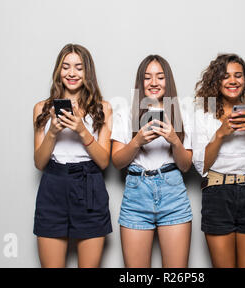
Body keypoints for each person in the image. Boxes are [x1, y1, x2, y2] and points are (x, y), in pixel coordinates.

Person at [32, 43, 113, 267]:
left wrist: (81, 129)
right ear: (59, 71)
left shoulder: (102, 108)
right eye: (66, 66)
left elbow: (104, 161)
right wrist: (53, 132)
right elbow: (39, 162)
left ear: (87, 72)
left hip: (90, 186)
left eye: (78, 67)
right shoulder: (41, 108)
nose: (71, 73)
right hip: (53, 186)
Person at [192, 53, 245, 268]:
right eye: (226, 76)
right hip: (217, 195)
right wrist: (220, 134)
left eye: (238, 75)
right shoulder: (203, 115)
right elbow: (202, 166)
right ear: (216, 81)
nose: (233, 81)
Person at [111, 55, 193, 267]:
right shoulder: (125, 114)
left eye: (160, 77)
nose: (154, 83)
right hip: (136, 194)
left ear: (169, 81)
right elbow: (117, 162)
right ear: (140, 83)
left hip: (172, 192)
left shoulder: (182, 112)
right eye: (147, 78)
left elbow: (185, 166)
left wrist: (174, 139)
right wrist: (137, 141)